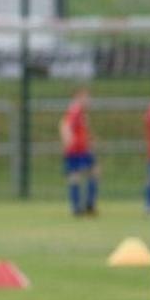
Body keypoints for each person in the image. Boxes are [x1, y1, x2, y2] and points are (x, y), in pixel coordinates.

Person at [60, 87, 98, 217]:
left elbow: (82, 129)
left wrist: (90, 140)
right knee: (76, 176)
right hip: (76, 150)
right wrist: (68, 140)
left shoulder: (81, 112)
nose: (89, 100)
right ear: (79, 97)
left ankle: (88, 205)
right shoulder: (75, 110)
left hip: (83, 148)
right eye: (87, 97)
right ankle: (78, 207)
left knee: (93, 172)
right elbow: (65, 125)